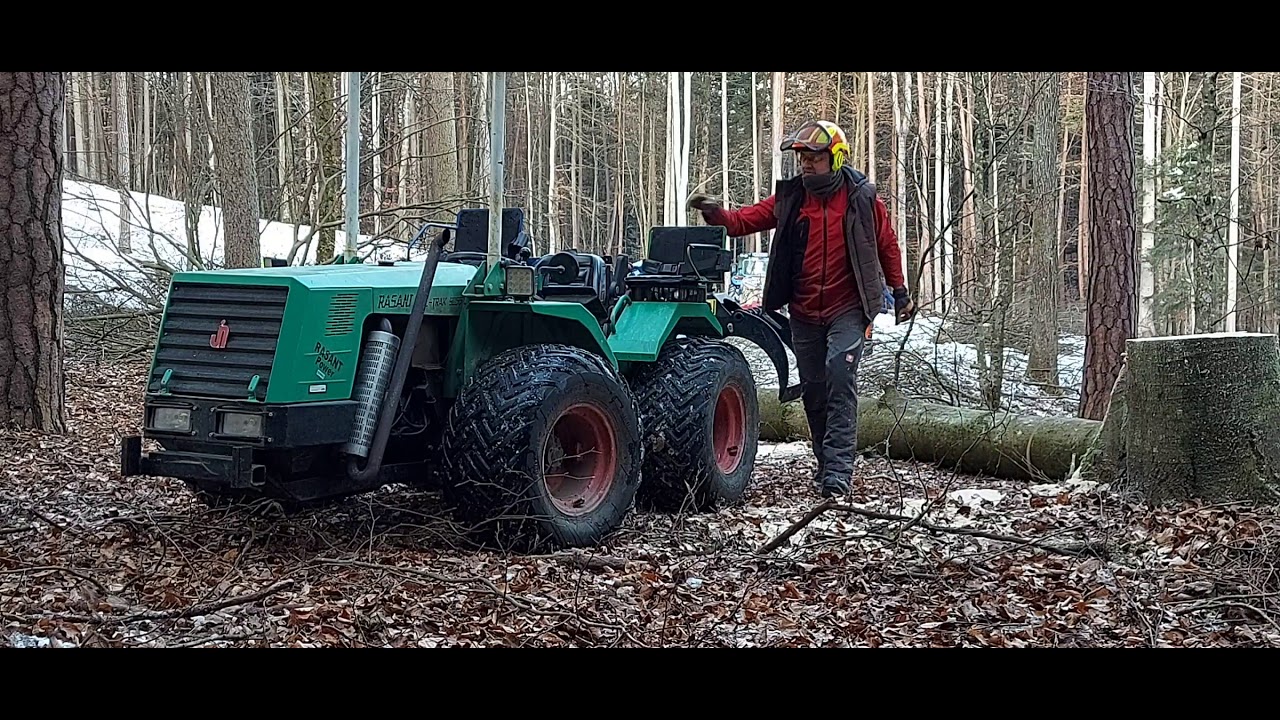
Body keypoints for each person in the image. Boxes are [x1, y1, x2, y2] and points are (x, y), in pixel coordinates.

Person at [687, 119, 915, 498]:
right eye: (803, 158)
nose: (807, 165)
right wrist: (717, 214)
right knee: (814, 389)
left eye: (815, 158)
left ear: (835, 158)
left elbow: (887, 244)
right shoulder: (792, 198)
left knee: (839, 378)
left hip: (849, 307)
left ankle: (838, 475)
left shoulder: (862, 198)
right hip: (805, 311)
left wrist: (900, 291)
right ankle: (826, 464)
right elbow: (748, 220)